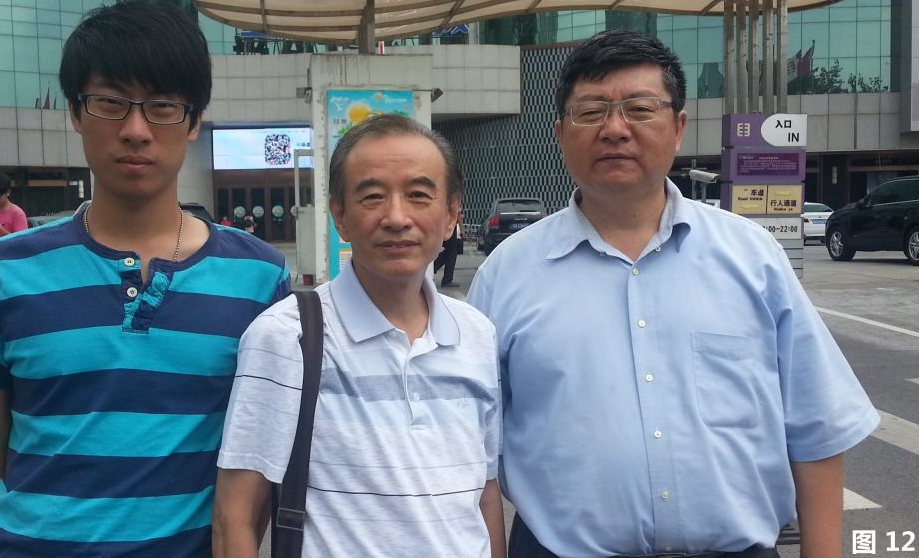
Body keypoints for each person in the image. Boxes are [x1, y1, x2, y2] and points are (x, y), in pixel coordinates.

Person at [468, 29, 879, 558]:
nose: (615, 129)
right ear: (560, 133)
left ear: (678, 127)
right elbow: (472, 448)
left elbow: (817, 425)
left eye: (639, 109)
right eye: (591, 112)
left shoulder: (751, 257)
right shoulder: (506, 274)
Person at [0, 0, 291, 557]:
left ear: (194, 120)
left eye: (163, 106)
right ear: (76, 112)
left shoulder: (259, 279)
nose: (135, 130)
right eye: (110, 103)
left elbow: (263, 462)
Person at [213, 115, 506, 558]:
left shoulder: (477, 334)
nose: (396, 218)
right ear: (340, 216)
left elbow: (484, 494)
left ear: (451, 216)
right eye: (372, 197)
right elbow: (235, 517)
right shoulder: (287, 336)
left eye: (419, 195)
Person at [433, 208, 463, 287]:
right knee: (452, 252)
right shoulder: (454, 201)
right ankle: (446, 279)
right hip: (450, 227)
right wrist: (462, 231)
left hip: (442, 225)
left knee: (447, 251)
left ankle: (433, 267)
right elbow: (458, 214)